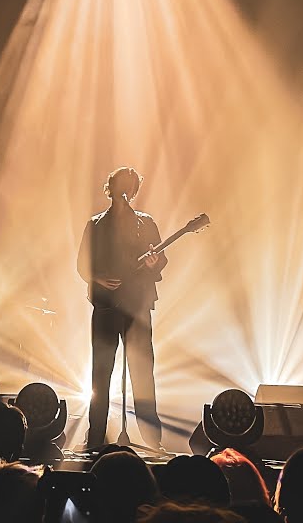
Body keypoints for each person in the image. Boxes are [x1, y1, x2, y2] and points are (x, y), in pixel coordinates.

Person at [77, 167, 166, 451]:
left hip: (137, 306)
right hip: (105, 307)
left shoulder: (146, 223)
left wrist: (154, 263)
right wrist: (98, 278)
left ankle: (152, 439)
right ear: (111, 188)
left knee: (142, 372)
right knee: (101, 372)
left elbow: (161, 258)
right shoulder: (95, 225)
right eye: (121, 185)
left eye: (130, 186)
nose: (126, 191)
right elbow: (82, 264)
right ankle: (95, 438)